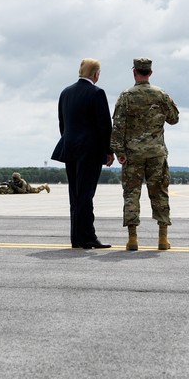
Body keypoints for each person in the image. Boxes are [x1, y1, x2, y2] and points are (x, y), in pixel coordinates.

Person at [111, 58, 179, 251]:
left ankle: (133, 239)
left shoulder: (126, 96)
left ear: (134, 72)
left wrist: (119, 152)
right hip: (156, 153)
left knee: (132, 194)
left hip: (132, 154)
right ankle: (162, 239)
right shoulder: (161, 95)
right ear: (150, 72)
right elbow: (174, 119)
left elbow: (118, 127)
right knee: (159, 193)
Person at [51, 58, 115, 249]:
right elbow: (104, 125)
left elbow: (62, 123)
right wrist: (108, 151)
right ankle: (88, 237)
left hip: (69, 149)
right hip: (89, 151)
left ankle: (76, 238)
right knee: (86, 194)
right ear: (95, 74)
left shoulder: (65, 92)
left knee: (75, 194)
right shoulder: (97, 93)